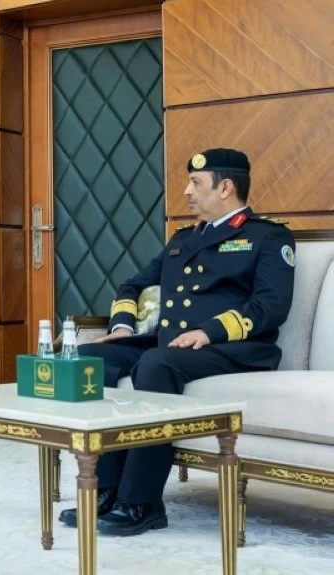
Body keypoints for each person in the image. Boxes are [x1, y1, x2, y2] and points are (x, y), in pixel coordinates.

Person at [59, 148, 295, 536]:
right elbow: (132, 285)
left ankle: (142, 502)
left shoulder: (266, 237)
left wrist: (209, 331)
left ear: (225, 188)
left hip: (233, 349)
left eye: (196, 183)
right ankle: (105, 490)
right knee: (91, 357)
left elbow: (271, 305)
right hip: (174, 345)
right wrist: (122, 327)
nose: (186, 191)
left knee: (156, 363)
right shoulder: (183, 240)